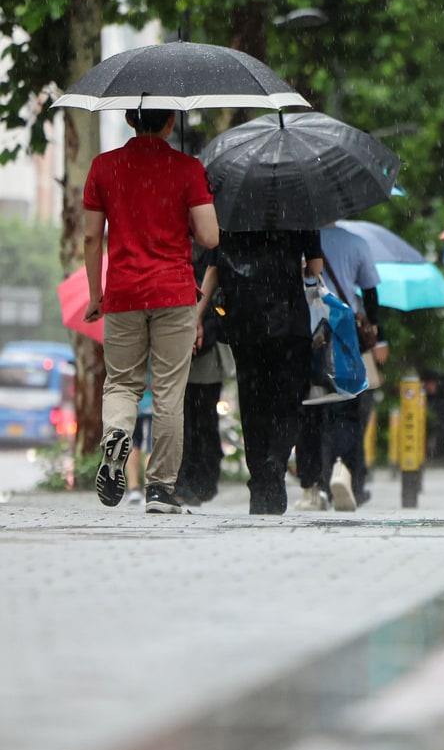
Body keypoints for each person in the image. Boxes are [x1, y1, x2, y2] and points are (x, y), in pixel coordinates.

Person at [83, 107, 219, 513]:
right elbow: (211, 237)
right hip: (174, 294)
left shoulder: (104, 167)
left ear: (129, 120)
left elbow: (92, 236)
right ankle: (161, 489)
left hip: (124, 293)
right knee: (168, 392)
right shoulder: (187, 168)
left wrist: (96, 295)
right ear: (170, 123)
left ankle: (118, 433)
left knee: (122, 383)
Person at [199, 230, 324, 515]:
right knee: (289, 400)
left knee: (253, 401)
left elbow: (215, 267)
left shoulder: (230, 209)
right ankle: (276, 462)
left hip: (244, 320)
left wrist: (198, 314)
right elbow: (315, 268)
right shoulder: (299, 206)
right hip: (289, 320)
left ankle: (259, 481)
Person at [303, 223, 387, 512]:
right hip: (345, 329)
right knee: (348, 410)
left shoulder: (302, 238)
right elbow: (371, 292)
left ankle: (317, 482)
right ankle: (347, 474)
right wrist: (376, 330)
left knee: (315, 408)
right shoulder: (357, 243)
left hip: (311, 330)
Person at [175, 309, 233, 507]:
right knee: (201, 422)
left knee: (193, 422)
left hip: (196, 357)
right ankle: (197, 480)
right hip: (198, 357)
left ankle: (193, 480)